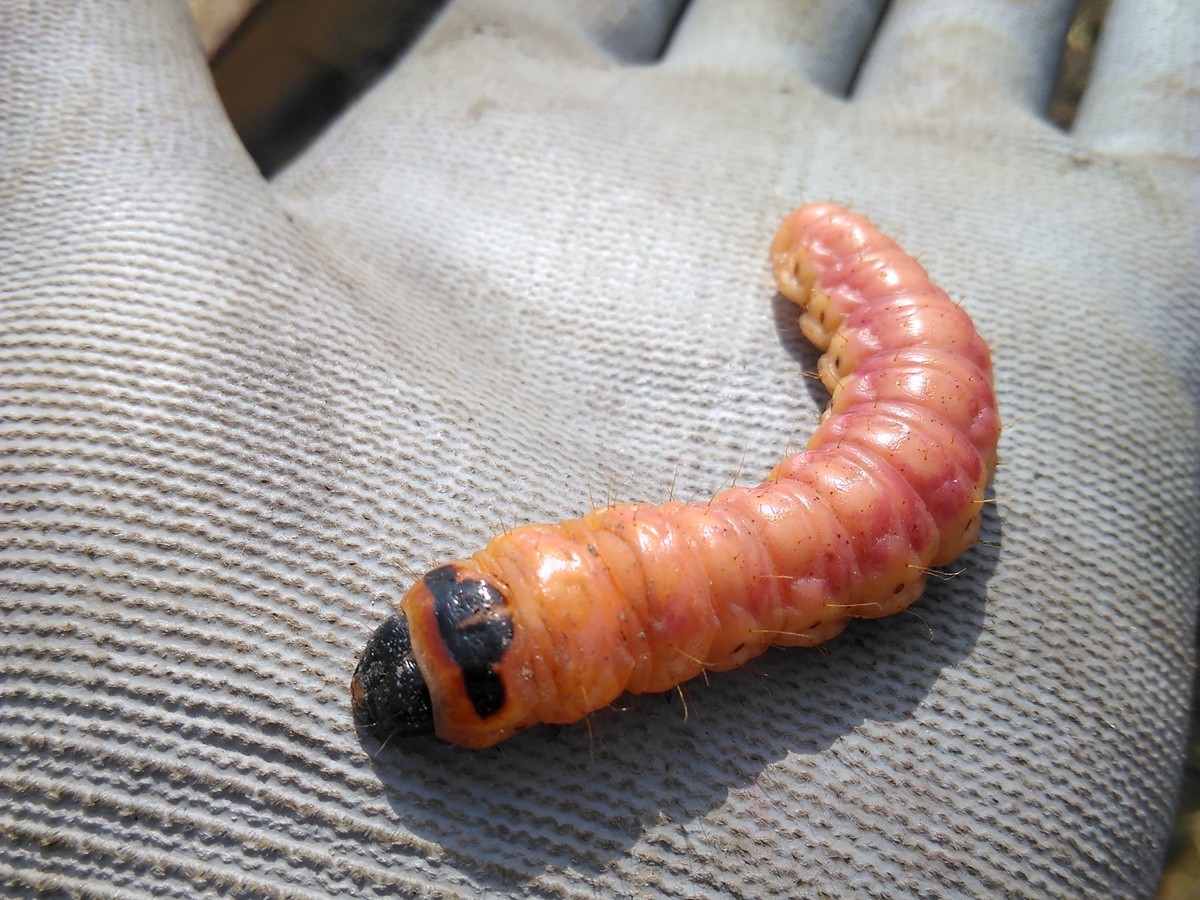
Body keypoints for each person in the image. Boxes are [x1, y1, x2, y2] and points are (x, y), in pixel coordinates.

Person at [2, 1, 1196, 895]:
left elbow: (898, 487)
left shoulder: (874, 495)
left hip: (905, 460)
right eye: (478, 644)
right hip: (897, 462)